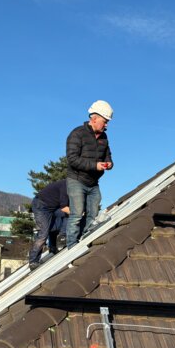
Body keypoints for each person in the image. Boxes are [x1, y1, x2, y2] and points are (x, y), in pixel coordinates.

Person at [65, 100, 114, 247]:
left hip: (93, 183)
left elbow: (108, 156)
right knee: (77, 214)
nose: (106, 125)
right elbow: (72, 159)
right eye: (105, 121)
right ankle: (71, 246)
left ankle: (83, 240)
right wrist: (95, 165)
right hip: (76, 180)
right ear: (94, 119)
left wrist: (109, 164)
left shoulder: (104, 138)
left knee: (93, 215)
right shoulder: (77, 134)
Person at [28, 178, 70, 270]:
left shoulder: (71, 187)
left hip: (52, 208)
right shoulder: (65, 185)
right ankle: (33, 261)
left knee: (56, 224)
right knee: (43, 233)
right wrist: (77, 212)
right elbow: (64, 207)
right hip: (40, 206)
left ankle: (58, 241)